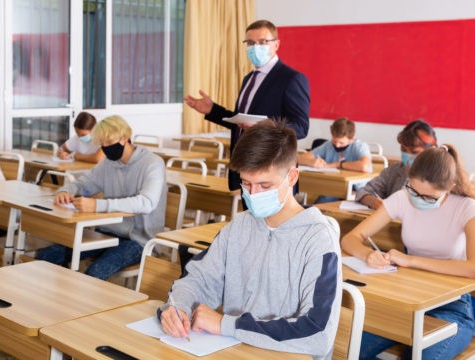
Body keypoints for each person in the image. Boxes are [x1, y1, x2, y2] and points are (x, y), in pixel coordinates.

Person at [159, 120, 342, 358]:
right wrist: (177, 307)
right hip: (236, 350)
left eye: (265, 185)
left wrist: (227, 325)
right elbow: (199, 279)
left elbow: (318, 335)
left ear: (292, 176)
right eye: (246, 183)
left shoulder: (318, 239)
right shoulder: (240, 226)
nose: (253, 194)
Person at [341, 145, 475, 359]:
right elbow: (350, 239)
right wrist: (368, 255)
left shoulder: (466, 207)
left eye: (429, 197)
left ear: (450, 186)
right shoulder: (402, 198)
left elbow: (472, 268)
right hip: (406, 301)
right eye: (414, 191)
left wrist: (411, 260)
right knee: (347, 350)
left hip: (453, 306)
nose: (419, 199)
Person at [184, 19, 310, 192]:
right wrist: (212, 110)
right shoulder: (249, 78)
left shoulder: (291, 78)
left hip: (272, 169)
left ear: (276, 45)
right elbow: (242, 122)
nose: (255, 47)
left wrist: (266, 126)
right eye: (250, 43)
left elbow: (301, 127)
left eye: (263, 42)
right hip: (245, 167)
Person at [36, 115, 167, 280]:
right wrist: (65, 191)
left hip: (140, 240)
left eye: (108, 142)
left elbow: (146, 203)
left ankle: (80, 304)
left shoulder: (152, 163)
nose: (105, 147)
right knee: (47, 255)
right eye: (101, 144)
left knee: (94, 273)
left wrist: (98, 205)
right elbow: (84, 184)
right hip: (108, 232)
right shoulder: (108, 164)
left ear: (125, 137)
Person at [355, 119, 437, 209]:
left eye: (414, 152)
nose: (408, 155)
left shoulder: (439, 175)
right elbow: (363, 191)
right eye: (403, 150)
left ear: (430, 150)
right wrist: (373, 201)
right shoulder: (395, 169)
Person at [299, 117, 372, 173]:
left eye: (341, 143)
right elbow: (299, 159)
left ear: (351, 139)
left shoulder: (360, 147)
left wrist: (338, 164)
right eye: (334, 141)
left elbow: (364, 166)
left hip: (356, 187)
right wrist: (311, 162)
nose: (337, 145)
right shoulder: (328, 145)